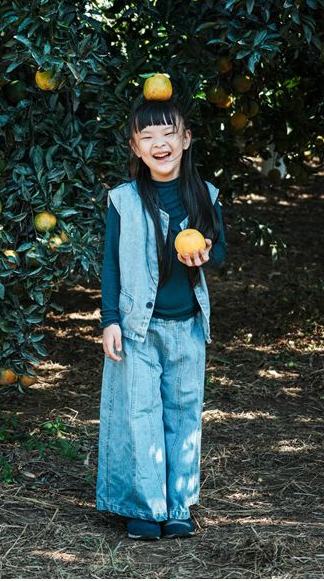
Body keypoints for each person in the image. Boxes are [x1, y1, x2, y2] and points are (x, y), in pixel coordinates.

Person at [96, 98, 227, 540]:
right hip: (137, 327)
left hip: (187, 325)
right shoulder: (124, 200)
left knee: (183, 412)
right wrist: (108, 319)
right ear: (135, 147)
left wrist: (204, 255)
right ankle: (145, 506)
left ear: (185, 139)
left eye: (168, 133)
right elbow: (111, 263)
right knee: (139, 412)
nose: (159, 143)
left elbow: (222, 252)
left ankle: (177, 505)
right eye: (147, 136)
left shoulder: (204, 194)